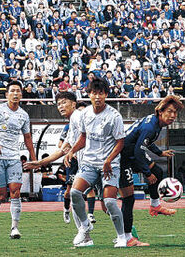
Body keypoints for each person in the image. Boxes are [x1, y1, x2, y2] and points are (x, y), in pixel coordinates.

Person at [64, 78, 130, 248]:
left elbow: (120, 142)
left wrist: (109, 160)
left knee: (109, 202)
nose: (97, 97)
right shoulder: (84, 114)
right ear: (89, 95)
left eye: (101, 93)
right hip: (89, 163)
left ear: (106, 95)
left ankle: (122, 236)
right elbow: (84, 137)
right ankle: (85, 226)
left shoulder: (114, 116)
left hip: (110, 165)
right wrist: (72, 150)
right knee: (75, 193)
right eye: (94, 93)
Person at [117, 95, 184, 245]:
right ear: (160, 111)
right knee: (128, 199)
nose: (173, 116)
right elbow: (138, 152)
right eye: (170, 112)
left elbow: (144, 143)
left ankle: (155, 206)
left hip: (132, 154)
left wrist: (160, 153)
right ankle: (127, 239)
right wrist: (147, 174)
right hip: (123, 159)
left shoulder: (155, 123)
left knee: (158, 172)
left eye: (175, 113)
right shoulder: (150, 127)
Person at [0, 80, 35, 239]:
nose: (16, 94)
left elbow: (27, 137)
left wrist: (34, 158)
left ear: (21, 94)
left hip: (14, 158)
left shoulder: (24, 115)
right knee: (1, 196)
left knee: (15, 192)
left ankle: (14, 228)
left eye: (18, 91)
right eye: (12, 91)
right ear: (6, 94)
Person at [24, 91, 80, 224]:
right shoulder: (71, 124)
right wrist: (40, 163)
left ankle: (86, 229)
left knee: (108, 200)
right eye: (58, 104)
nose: (61, 106)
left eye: (64, 102)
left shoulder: (78, 117)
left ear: (73, 104)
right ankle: (84, 229)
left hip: (98, 161)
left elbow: (85, 137)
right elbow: (62, 149)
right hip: (85, 163)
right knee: (74, 193)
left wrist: (73, 151)